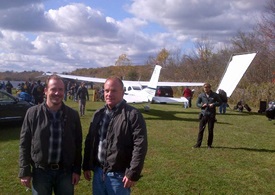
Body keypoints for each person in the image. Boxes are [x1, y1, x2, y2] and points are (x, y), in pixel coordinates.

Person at [82, 77, 148, 195]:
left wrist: (132, 173)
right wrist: (86, 165)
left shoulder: (133, 115)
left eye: (114, 91)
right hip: (98, 173)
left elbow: (140, 146)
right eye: (106, 91)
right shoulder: (98, 114)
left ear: (122, 93)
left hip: (119, 176)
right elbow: (90, 141)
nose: (109, 94)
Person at [19, 75, 83, 194]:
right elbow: (24, 144)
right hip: (41, 172)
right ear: (46, 90)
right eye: (53, 89)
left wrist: (77, 169)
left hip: (65, 173)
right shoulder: (33, 113)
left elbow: (78, 144)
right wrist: (25, 171)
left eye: (61, 89)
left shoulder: (72, 115)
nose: (57, 93)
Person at [193, 83, 222, 149]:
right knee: (201, 130)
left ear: (209, 88)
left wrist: (214, 104)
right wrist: (201, 105)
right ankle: (198, 144)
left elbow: (220, 102)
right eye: (204, 87)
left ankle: (209, 145)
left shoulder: (215, 95)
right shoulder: (201, 95)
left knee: (210, 130)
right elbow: (197, 103)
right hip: (203, 114)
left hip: (211, 115)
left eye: (207, 87)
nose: (205, 89)